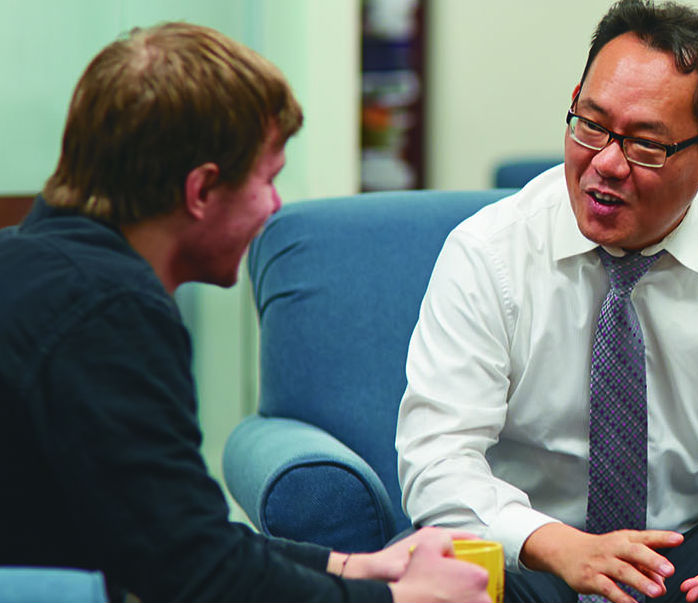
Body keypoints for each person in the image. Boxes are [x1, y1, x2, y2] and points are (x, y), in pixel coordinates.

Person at [395, 1, 698, 602]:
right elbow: (437, 458)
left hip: (690, 555)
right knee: (441, 576)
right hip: (535, 555)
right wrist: (558, 547)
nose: (604, 163)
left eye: (646, 145)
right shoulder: (488, 252)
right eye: (591, 125)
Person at [0, 22, 490, 603]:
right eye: (268, 178)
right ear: (201, 191)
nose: (276, 205)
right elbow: (195, 577)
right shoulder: (112, 314)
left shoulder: (29, 264)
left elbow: (167, 531)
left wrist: (354, 566)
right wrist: (402, 600)